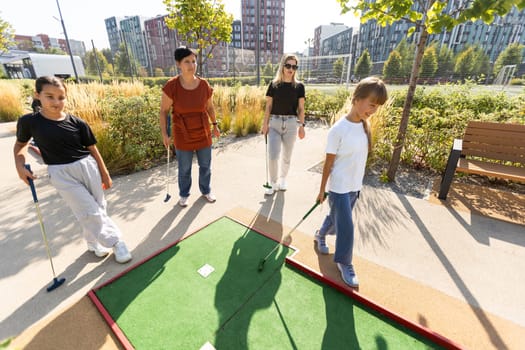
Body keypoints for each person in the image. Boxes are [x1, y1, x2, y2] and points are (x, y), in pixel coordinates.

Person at [13, 76, 132, 264]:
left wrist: (105, 173)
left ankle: (93, 243)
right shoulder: (29, 122)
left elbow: (93, 149)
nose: (56, 102)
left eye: (61, 97)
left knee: (98, 208)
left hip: (87, 166)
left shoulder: (77, 122)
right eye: (50, 96)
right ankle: (116, 242)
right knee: (89, 210)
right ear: (37, 95)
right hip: (60, 173)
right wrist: (19, 165)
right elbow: (20, 145)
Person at [314, 77, 388, 288]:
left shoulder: (365, 126)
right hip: (338, 187)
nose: (374, 110)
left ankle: (320, 235)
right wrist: (322, 191)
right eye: (371, 104)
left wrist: (357, 185)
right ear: (357, 99)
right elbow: (328, 164)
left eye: (377, 106)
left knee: (335, 217)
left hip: (355, 187)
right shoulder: (338, 130)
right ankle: (344, 263)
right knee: (347, 227)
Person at [160, 46, 220, 207]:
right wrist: (165, 134)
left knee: (206, 166)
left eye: (194, 61)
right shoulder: (172, 86)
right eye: (187, 61)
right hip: (182, 133)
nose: (191, 65)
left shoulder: (204, 85)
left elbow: (210, 107)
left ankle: (206, 190)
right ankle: (184, 194)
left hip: (203, 131)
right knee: (184, 168)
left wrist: (215, 125)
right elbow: (163, 111)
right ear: (178, 63)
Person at [261, 53, 306, 195]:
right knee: (273, 155)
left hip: (292, 124)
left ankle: (283, 179)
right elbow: (268, 106)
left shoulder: (299, 87)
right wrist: (265, 124)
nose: (291, 69)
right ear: (282, 66)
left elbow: (301, 108)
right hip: (274, 122)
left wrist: (302, 126)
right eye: (288, 65)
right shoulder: (274, 85)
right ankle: (273, 183)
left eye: (294, 66)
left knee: (287, 155)